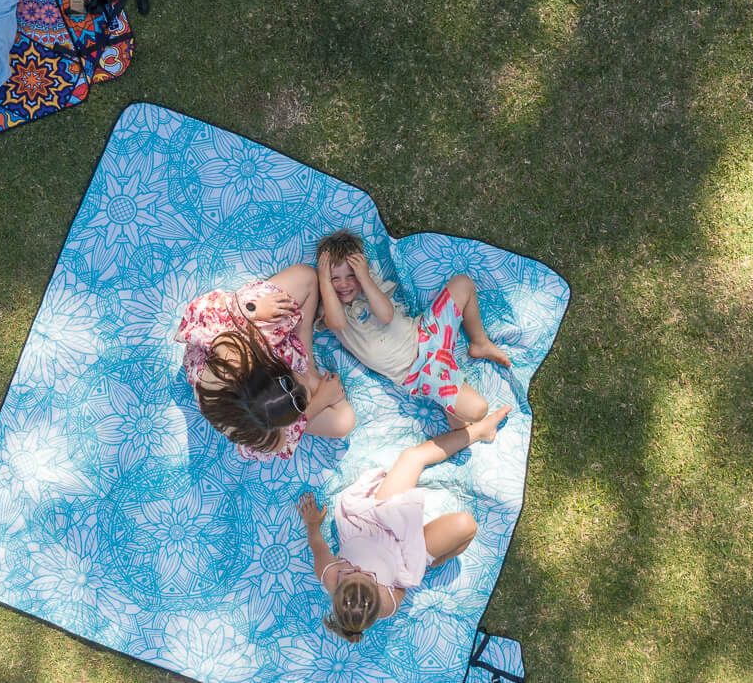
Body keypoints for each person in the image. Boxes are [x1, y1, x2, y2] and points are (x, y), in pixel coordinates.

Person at [297, 404, 512, 642]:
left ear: (337, 588)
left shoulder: (329, 574)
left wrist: (313, 523)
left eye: (351, 571)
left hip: (374, 522)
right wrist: (421, 558)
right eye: (367, 575)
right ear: (378, 594)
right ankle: (437, 559)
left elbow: (316, 542)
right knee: (466, 524)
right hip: (402, 556)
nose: (356, 568)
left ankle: (480, 431)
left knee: (412, 457)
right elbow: (401, 587)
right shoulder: (387, 606)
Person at [314, 230, 513, 429]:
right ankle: (459, 423)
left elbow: (386, 315)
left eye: (351, 275)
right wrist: (323, 281)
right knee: (478, 409)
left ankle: (480, 342)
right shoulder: (329, 307)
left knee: (463, 283)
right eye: (334, 279)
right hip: (419, 370)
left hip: (425, 332)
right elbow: (338, 323)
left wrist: (365, 279)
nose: (344, 284)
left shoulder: (367, 284)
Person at [174, 265, 357, 460]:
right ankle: (304, 372)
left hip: (249, 331)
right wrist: (317, 403)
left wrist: (251, 310)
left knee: (305, 278)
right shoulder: (255, 434)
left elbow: (202, 310)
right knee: (344, 421)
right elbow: (280, 443)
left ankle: (307, 361)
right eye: (299, 401)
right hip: (265, 391)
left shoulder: (231, 347)